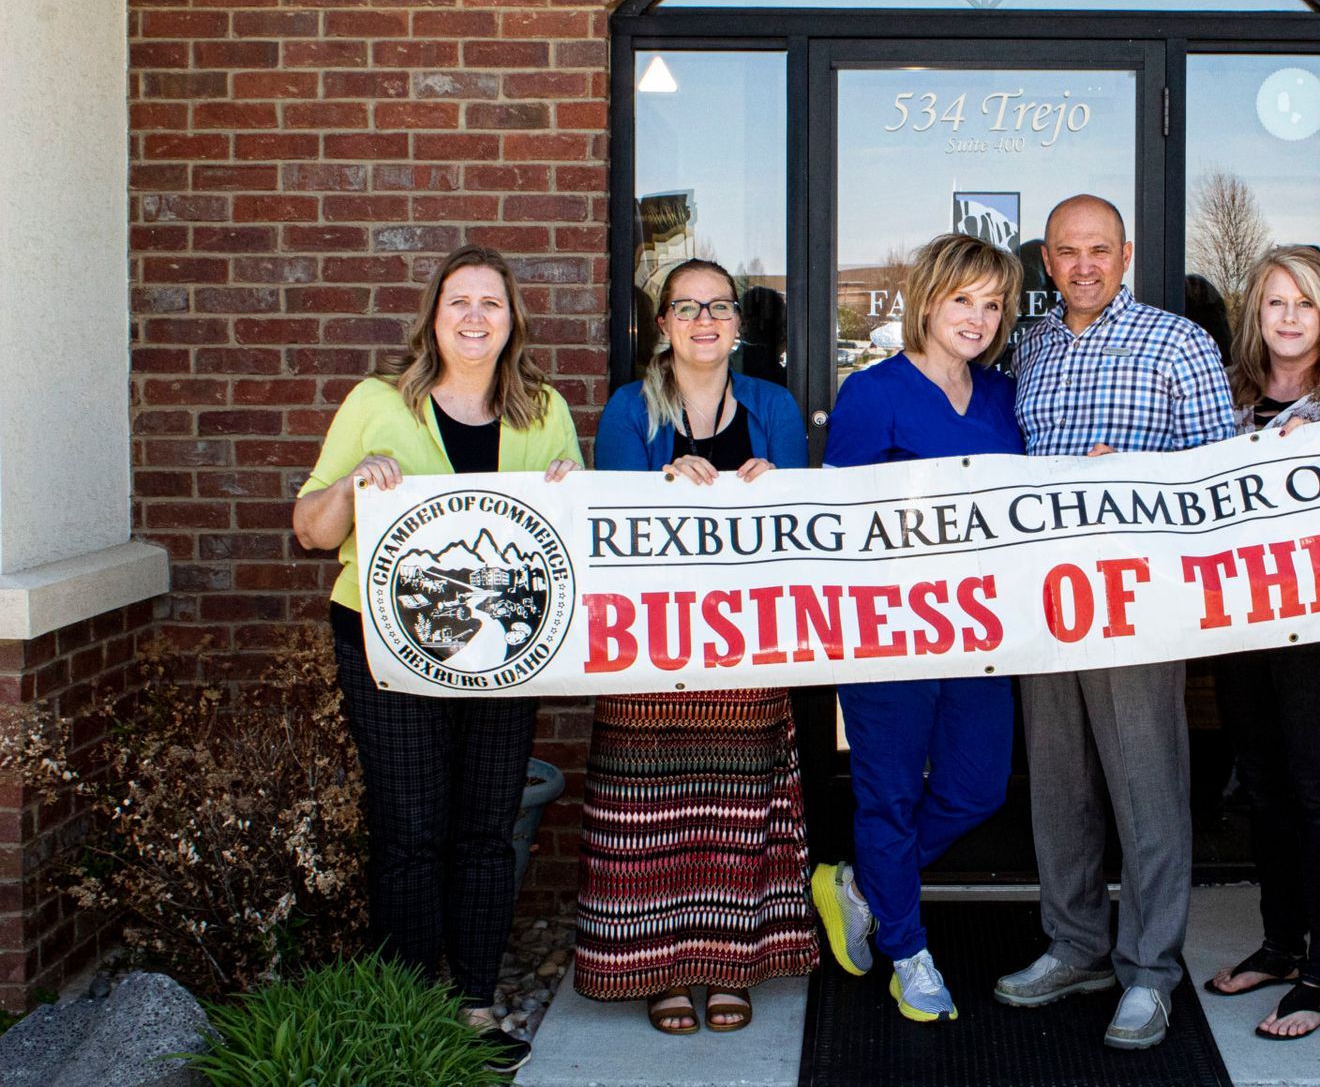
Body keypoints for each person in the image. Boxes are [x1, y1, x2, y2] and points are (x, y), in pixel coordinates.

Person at [292, 245, 583, 1074]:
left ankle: (477, 1006)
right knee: (410, 831)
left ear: (513, 320)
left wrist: (574, 485)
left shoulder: (543, 410)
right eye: (460, 301)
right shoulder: (376, 403)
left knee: (488, 829)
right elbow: (310, 530)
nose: (475, 317)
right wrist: (353, 485)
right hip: (386, 648)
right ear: (432, 314)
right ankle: (410, 1007)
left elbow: (568, 544)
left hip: (507, 654)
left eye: (492, 303)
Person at [993, 194, 1238, 1051]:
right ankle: (1075, 947)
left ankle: (1149, 972)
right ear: (1047, 262)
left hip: (1138, 605)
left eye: (1100, 249)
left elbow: (1221, 470)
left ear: (1126, 254)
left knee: (1147, 788)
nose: (1084, 264)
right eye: (1067, 251)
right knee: (1059, 788)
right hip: (1044, 604)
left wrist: (1135, 473)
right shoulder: (1028, 347)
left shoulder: (1180, 342)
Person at [574, 259, 818, 1034]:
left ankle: (727, 967)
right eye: (687, 306)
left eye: (719, 306)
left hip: (747, 649)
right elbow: (612, 526)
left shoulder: (774, 406)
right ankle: (660, 971)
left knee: (735, 813)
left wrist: (774, 483)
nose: (704, 319)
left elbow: (804, 524)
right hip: (648, 652)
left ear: (739, 323)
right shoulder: (627, 411)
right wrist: (660, 484)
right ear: (664, 325)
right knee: (649, 816)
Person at [813, 232, 1027, 1024]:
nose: (978, 317)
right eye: (963, 298)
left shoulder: (1003, 396)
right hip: (889, 630)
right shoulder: (875, 395)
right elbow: (839, 525)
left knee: (975, 789)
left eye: (994, 302)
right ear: (927, 301)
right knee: (891, 796)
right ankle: (909, 953)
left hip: (982, 629)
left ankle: (862, 886)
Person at [1205, 246, 1320, 1040]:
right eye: (1274, 302)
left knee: (1319, 797)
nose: (1287, 317)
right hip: (1239, 623)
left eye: (1303, 303)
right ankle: (1280, 946)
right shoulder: (1231, 392)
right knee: (1267, 793)